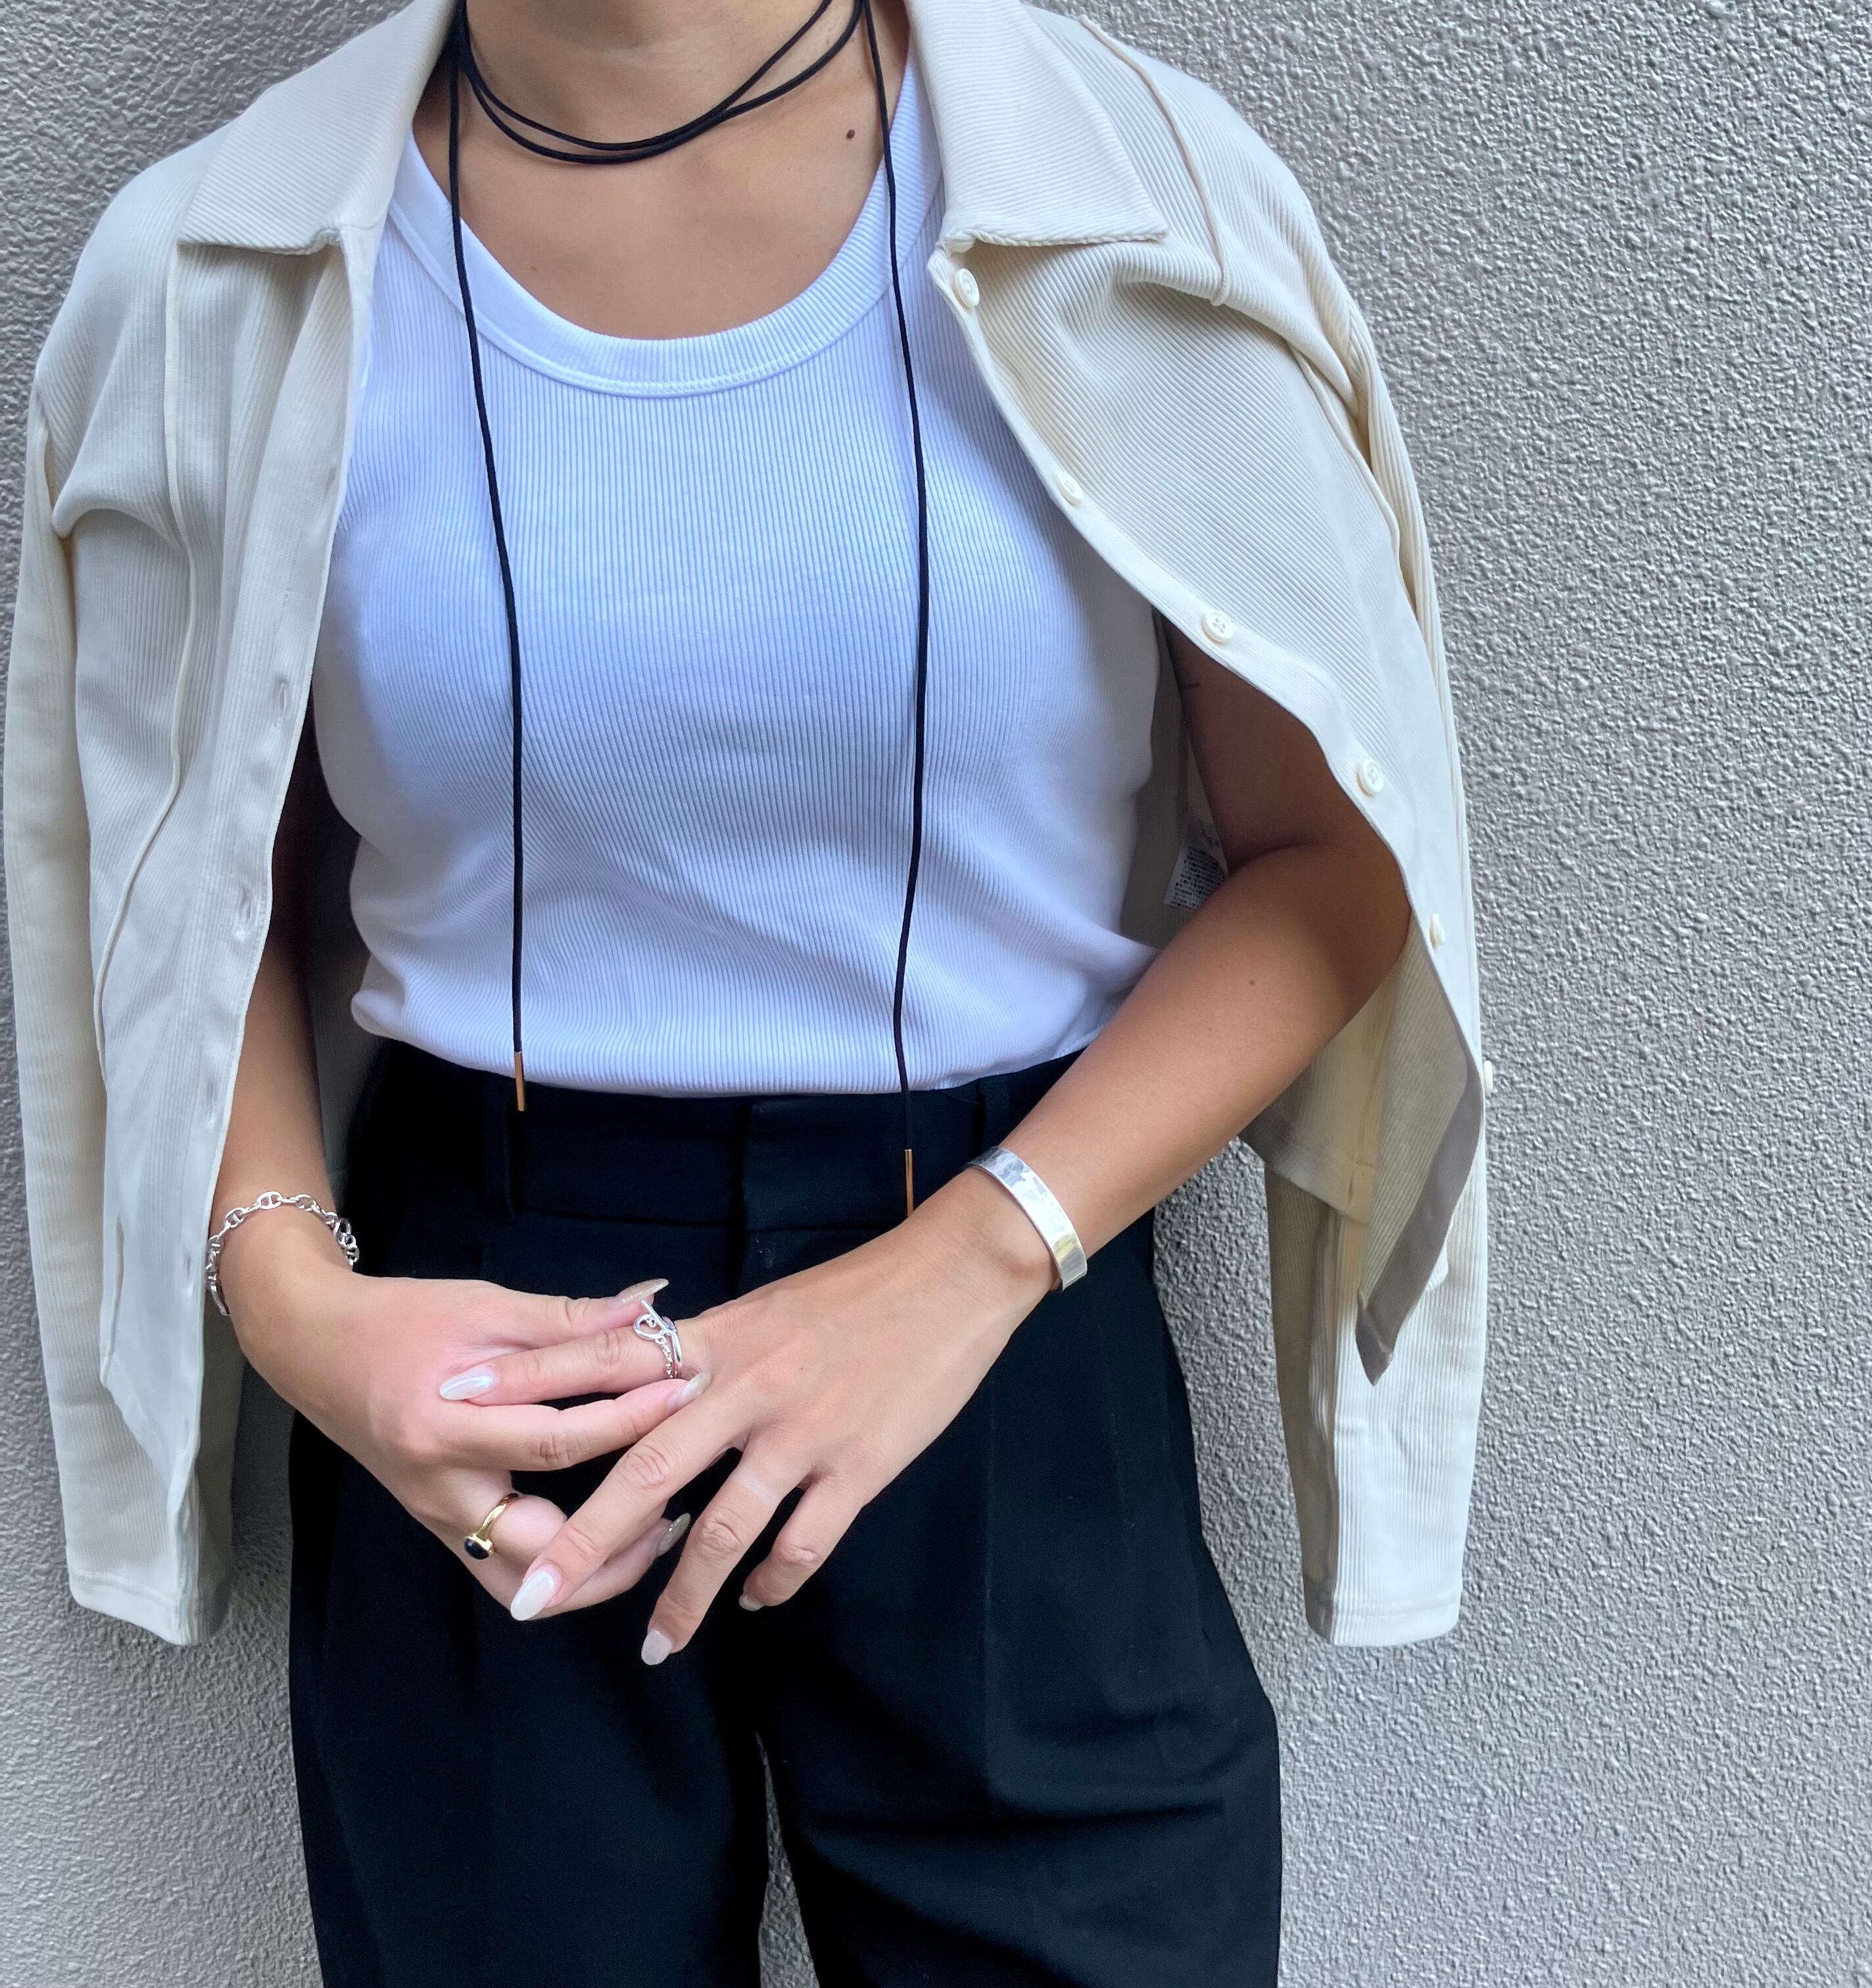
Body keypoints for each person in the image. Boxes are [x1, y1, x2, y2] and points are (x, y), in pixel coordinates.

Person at [3, 0, 1493, 1981]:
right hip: (483, 1349)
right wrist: (294, 1304)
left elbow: (1343, 855)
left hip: (1009, 1289)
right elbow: (184, 897)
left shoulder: (1144, 205)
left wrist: (978, 1258)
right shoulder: (217, 269)